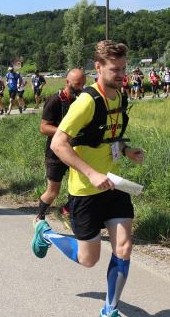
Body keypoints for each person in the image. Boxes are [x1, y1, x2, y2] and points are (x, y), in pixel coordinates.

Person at [31, 40, 145, 317]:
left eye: (124, 68)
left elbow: (106, 137)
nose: (121, 74)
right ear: (98, 67)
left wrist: (126, 150)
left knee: (124, 247)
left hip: (113, 185)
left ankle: (110, 309)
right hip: (85, 189)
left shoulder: (120, 97)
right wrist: (92, 173)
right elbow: (58, 143)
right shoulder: (86, 101)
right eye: (115, 69)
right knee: (88, 259)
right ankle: (46, 233)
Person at [35, 69, 86, 222]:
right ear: (67, 82)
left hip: (75, 151)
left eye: (83, 84)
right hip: (55, 153)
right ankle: (39, 218)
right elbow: (43, 128)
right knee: (53, 191)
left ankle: (67, 210)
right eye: (77, 84)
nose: (81, 88)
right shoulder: (55, 100)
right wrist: (66, 133)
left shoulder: (81, 101)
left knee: (82, 186)